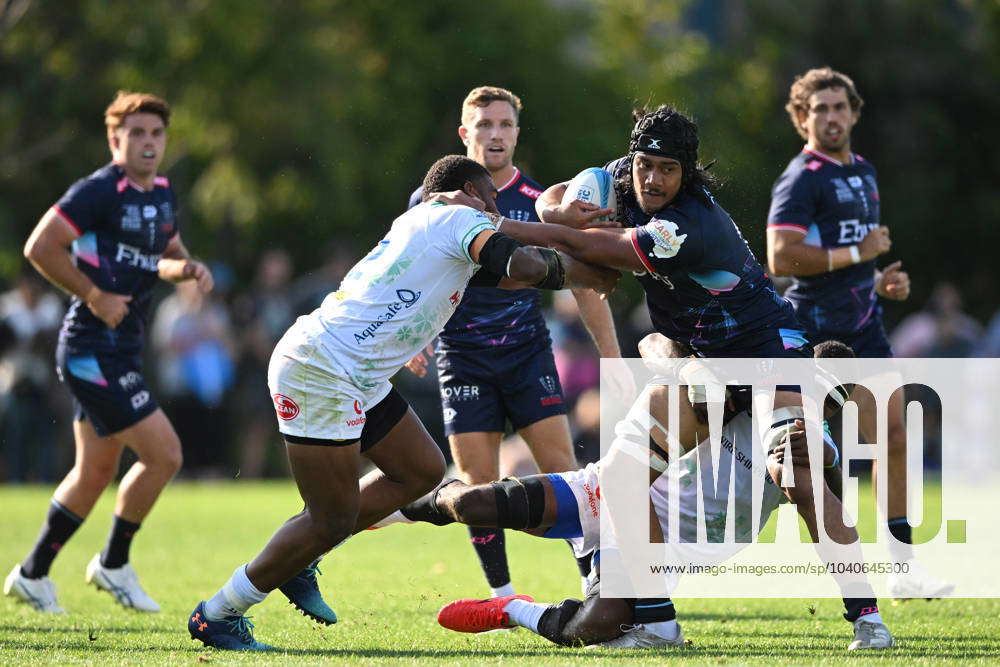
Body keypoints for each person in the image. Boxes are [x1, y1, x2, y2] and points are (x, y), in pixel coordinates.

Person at [186, 154, 620, 651]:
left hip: (353, 372)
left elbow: (513, 270)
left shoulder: (437, 222)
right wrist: (588, 267)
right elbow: (521, 261)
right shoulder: (457, 218)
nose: (495, 210)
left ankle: (300, 556)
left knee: (418, 471)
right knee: (328, 518)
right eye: (490, 200)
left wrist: (589, 261)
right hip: (322, 370)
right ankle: (218, 612)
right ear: (467, 193)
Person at [395, 338, 893, 651]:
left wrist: (865, 614)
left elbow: (829, 517)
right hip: (615, 492)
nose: (811, 407)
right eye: (809, 391)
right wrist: (692, 373)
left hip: (661, 546)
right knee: (475, 503)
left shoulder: (808, 444)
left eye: (827, 404)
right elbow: (655, 342)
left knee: (600, 623)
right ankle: (400, 505)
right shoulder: (746, 384)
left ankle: (511, 609)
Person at [403, 86, 623, 598]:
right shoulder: (431, 201)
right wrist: (414, 334)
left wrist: (613, 358)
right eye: (484, 125)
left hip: (527, 354)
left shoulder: (544, 204)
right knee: (476, 486)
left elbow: (582, 281)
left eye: (504, 125)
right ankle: (502, 597)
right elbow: (411, 272)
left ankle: (598, 586)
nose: (495, 134)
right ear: (465, 134)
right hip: (463, 359)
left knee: (564, 475)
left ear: (518, 134)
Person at [3, 91, 214, 614]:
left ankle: (32, 573)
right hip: (89, 349)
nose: (148, 143)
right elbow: (40, 246)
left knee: (95, 473)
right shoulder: (98, 191)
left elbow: (161, 254)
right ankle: (114, 562)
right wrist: (93, 294)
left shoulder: (162, 192)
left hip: (123, 347)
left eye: (156, 134)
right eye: (136, 133)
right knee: (165, 454)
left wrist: (186, 267)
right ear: (114, 139)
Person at [766, 67, 950, 597]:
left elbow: (848, 259)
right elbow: (781, 257)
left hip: (865, 331)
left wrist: (876, 280)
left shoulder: (864, 172)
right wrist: (859, 253)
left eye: (838, 107)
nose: (830, 117)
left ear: (853, 113)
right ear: (802, 118)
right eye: (819, 109)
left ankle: (904, 570)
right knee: (793, 461)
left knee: (893, 438)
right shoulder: (802, 177)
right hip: (811, 336)